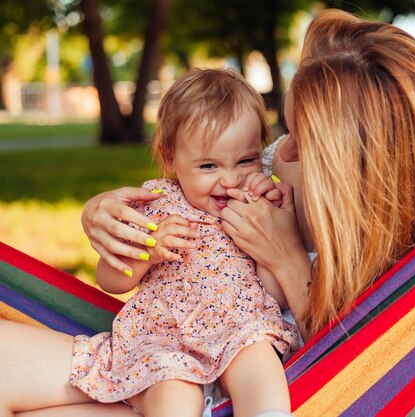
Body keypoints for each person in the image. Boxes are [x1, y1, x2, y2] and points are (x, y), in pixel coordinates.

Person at [5, 8, 415, 417]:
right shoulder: (260, 169)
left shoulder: (409, 254)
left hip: (232, 386)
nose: (282, 153)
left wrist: (286, 260)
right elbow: (195, 169)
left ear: (355, 170)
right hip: (156, 359)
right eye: (286, 128)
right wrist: (102, 215)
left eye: (308, 143)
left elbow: (361, 374)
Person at [2, 68, 297, 417]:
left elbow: (274, 296)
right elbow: (110, 280)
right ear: (171, 159)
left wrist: (270, 235)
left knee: (259, 360)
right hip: (164, 342)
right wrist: (148, 251)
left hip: (240, 330)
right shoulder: (154, 203)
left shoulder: (258, 207)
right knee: (173, 390)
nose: (230, 179)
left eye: (246, 160)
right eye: (208, 166)